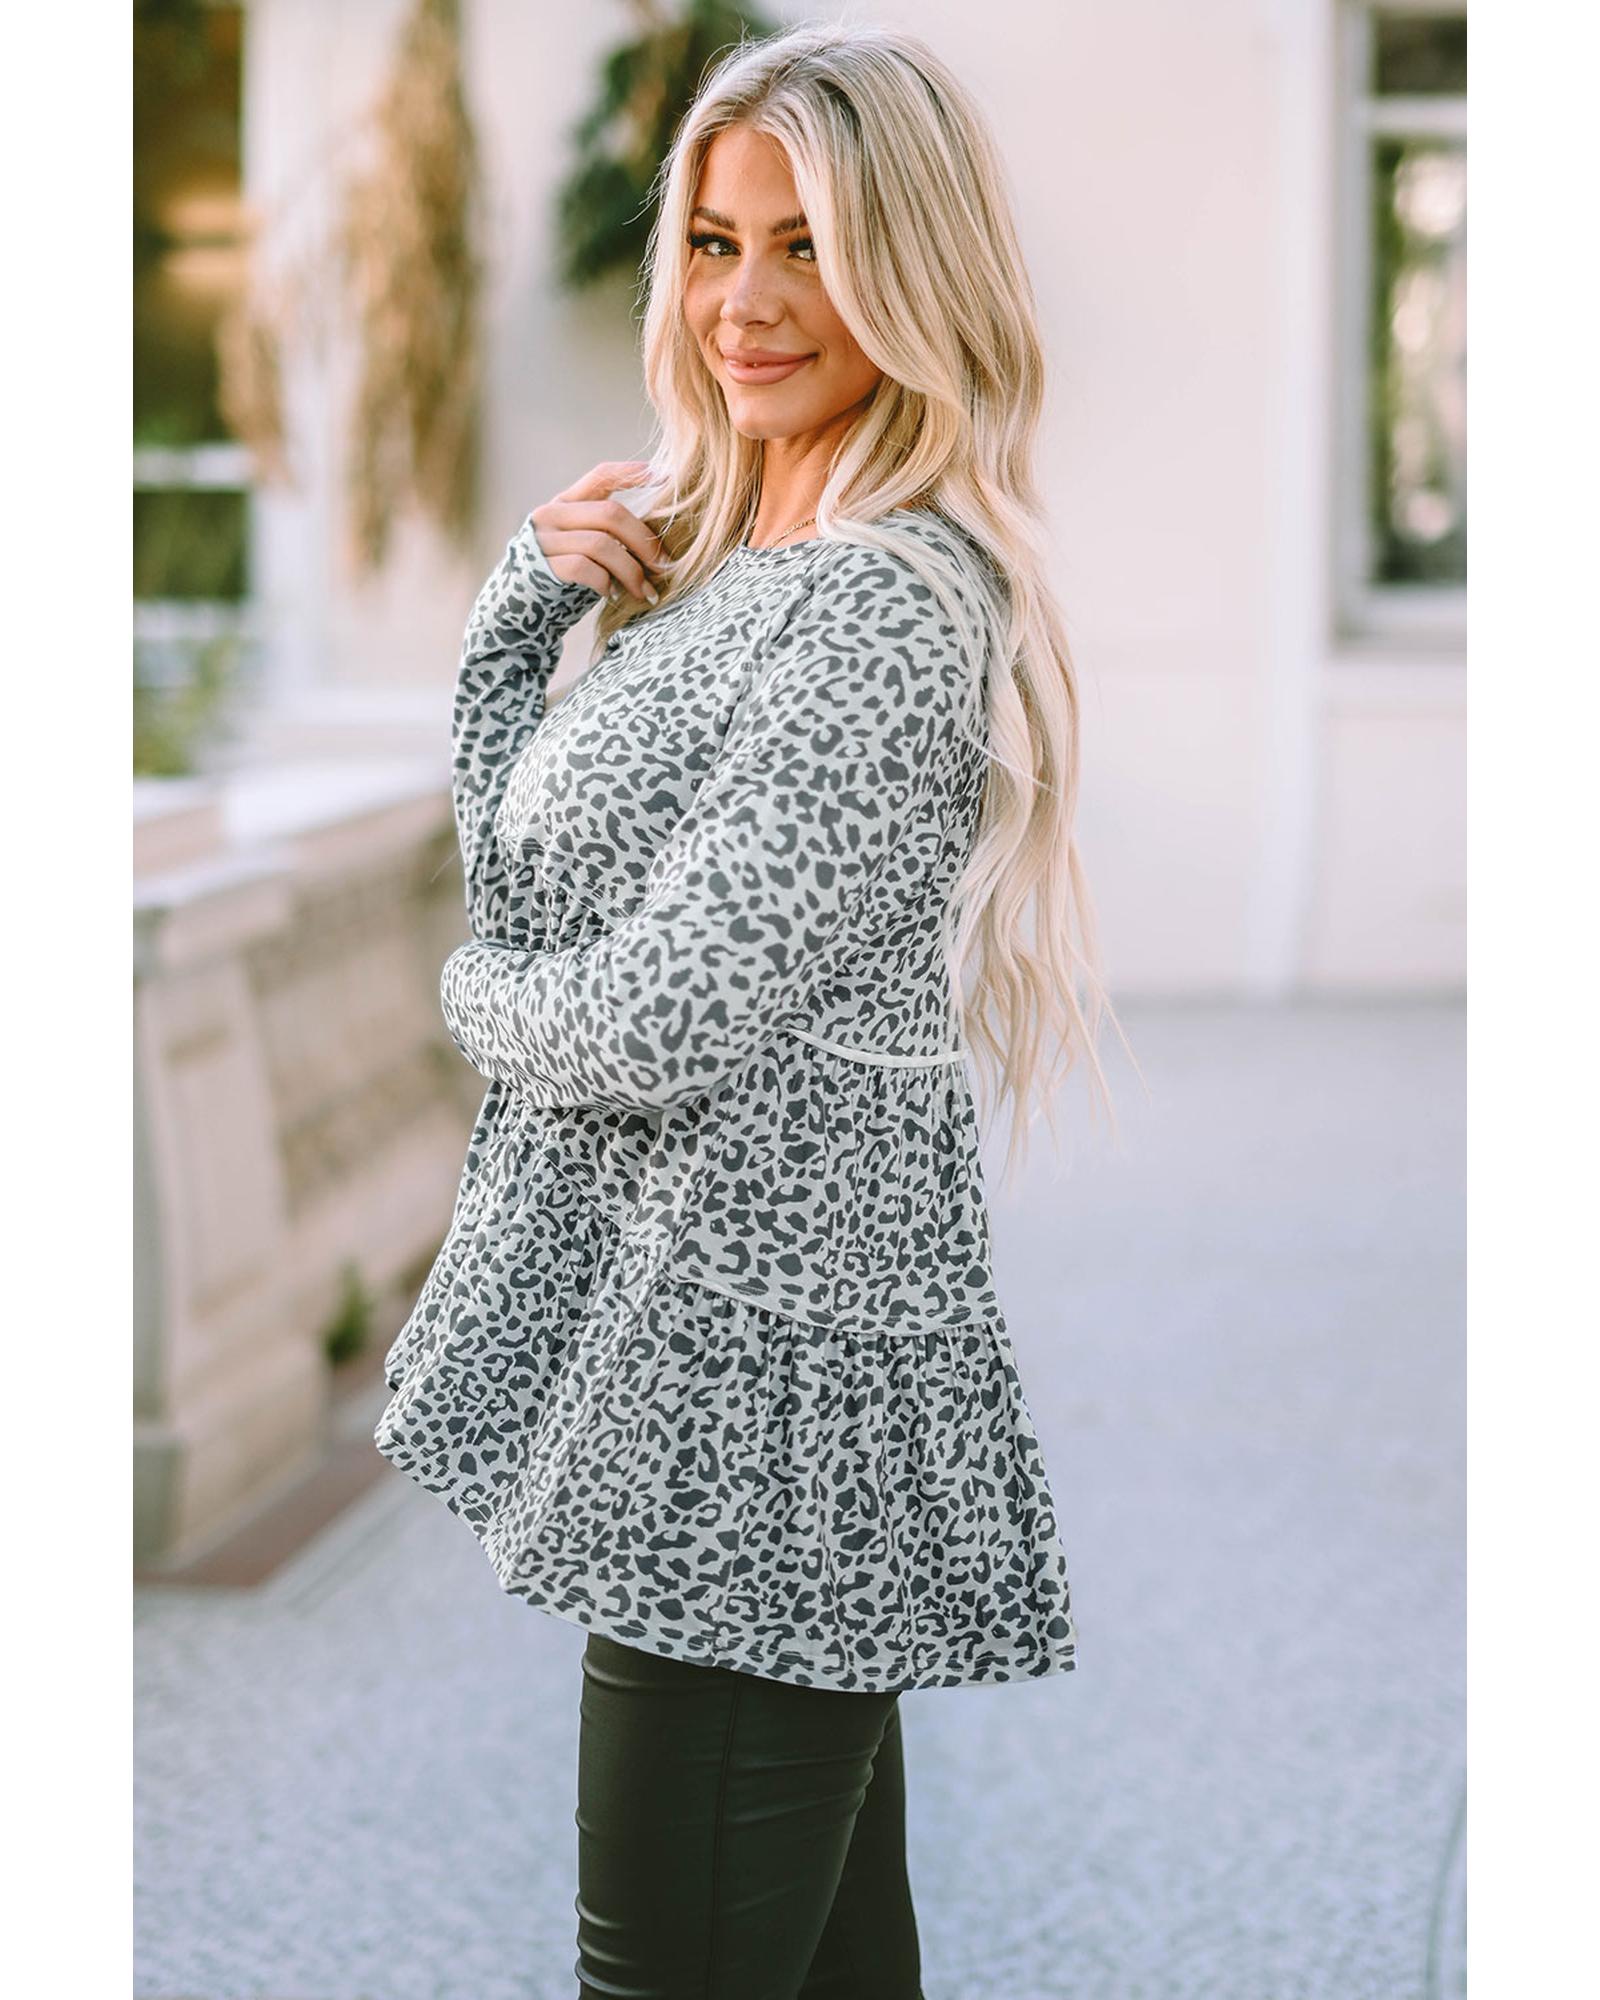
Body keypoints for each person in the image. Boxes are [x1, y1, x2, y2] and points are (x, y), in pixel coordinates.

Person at [374, 21, 1131, 1998]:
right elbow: (539, 886)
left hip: (765, 1402)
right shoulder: (722, 565)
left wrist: (468, 1001)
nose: (747, 302)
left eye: (809, 247)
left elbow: (657, 1012)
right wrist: (516, 623)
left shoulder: (880, 605)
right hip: (703, 1369)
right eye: (715, 243)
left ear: (913, 269)